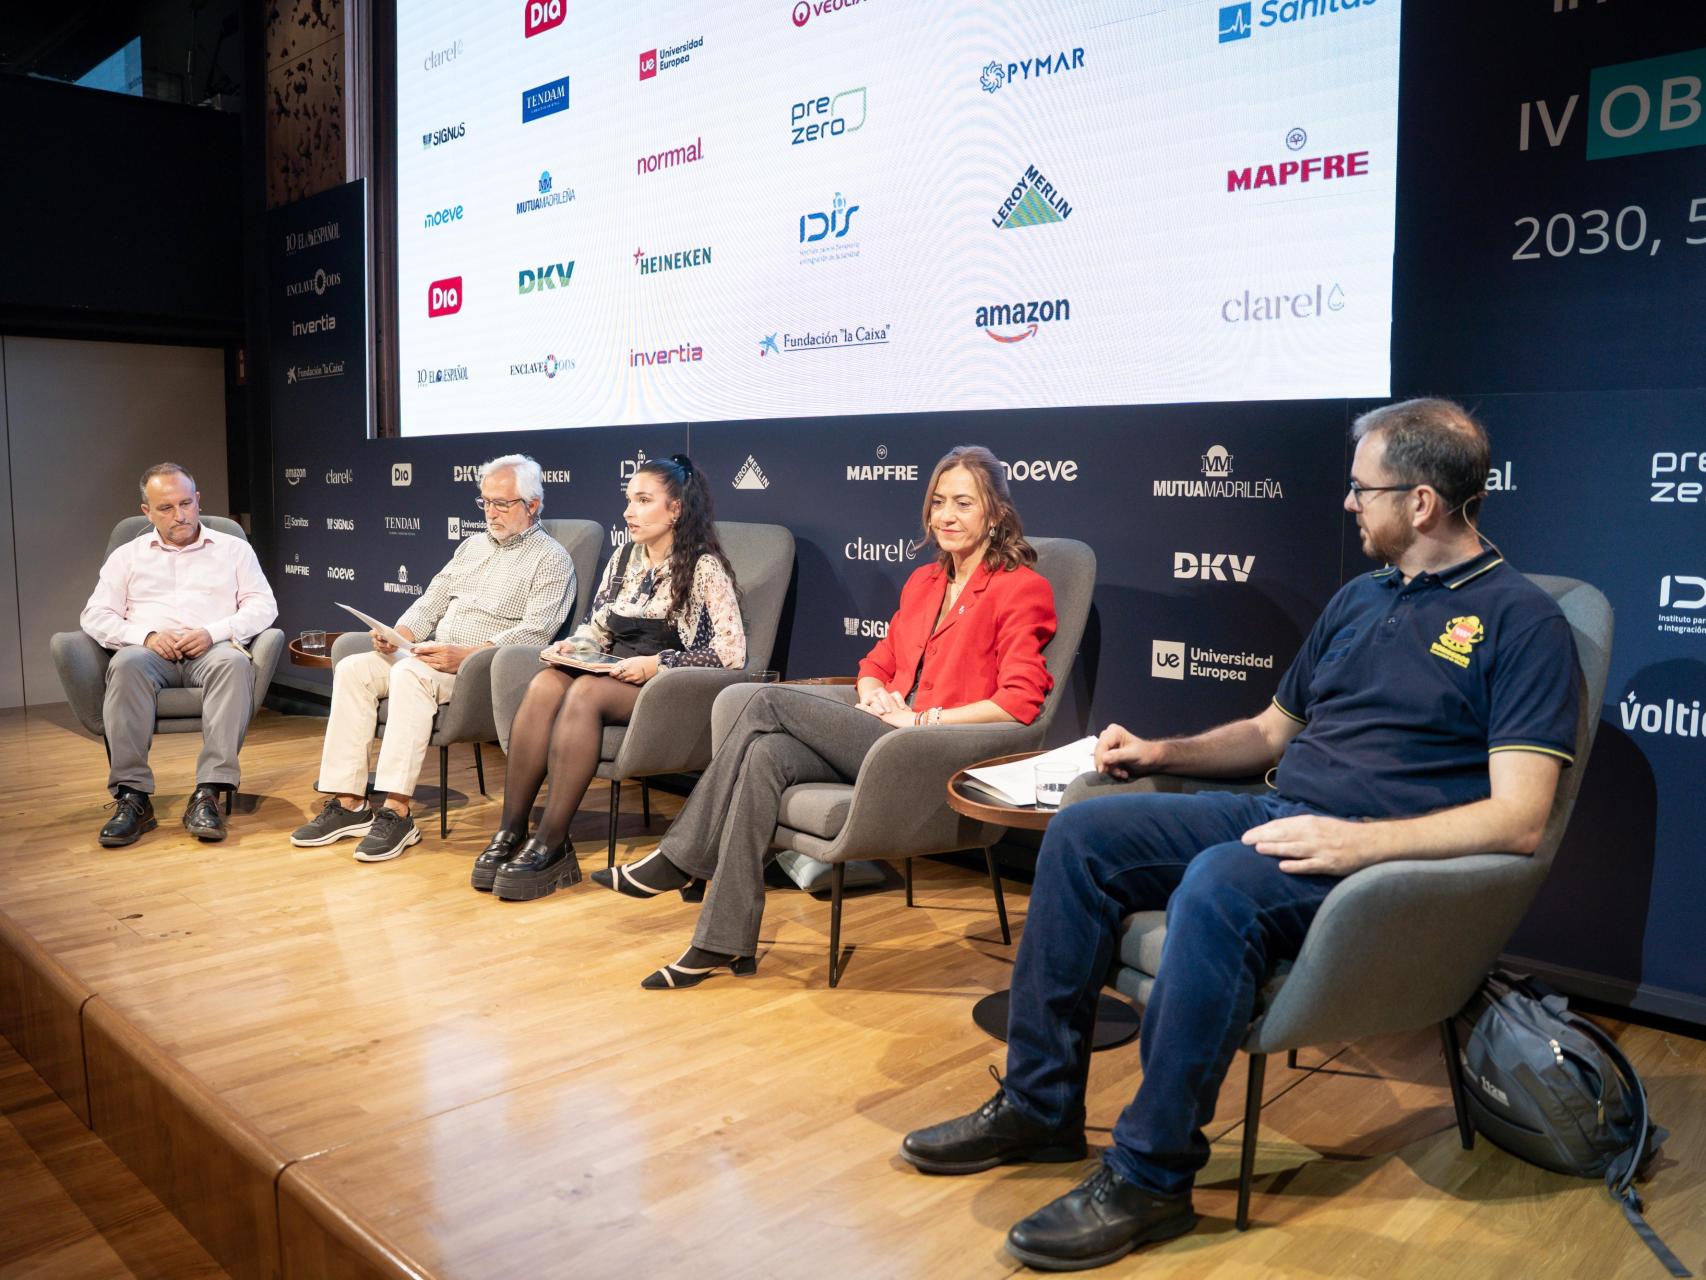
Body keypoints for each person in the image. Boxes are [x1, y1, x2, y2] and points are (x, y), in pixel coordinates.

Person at [898, 400, 1582, 1272]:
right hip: (1278, 813)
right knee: (1082, 833)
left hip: (1377, 857)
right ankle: (1040, 1108)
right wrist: (1160, 752)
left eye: (1362, 489)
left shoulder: (1522, 622)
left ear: (1421, 503)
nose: (1347, 505)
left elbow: (1521, 819)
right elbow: (1269, 734)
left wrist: (1356, 845)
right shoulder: (1359, 598)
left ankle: (1151, 1176)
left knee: (1222, 882)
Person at [593, 445, 1058, 988]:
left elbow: (1020, 702)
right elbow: (877, 661)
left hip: (933, 755)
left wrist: (923, 721)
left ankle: (683, 855)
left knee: (763, 700)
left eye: (964, 504)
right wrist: (874, 694)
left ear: (996, 513)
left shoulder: (1021, 588)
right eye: (938, 502)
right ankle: (720, 941)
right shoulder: (925, 583)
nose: (946, 516)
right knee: (765, 754)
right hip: (885, 731)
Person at [473, 454, 745, 901]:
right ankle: (511, 831)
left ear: (675, 509)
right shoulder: (624, 558)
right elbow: (597, 628)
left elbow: (732, 656)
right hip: (612, 668)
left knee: (584, 693)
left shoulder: (702, 568)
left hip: (665, 688)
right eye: (628, 500)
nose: (628, 512)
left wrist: (658, 665)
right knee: (544, 683)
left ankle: (552, 841)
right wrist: (572, 647)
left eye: (643, 501)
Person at [290, 454, 575, 861]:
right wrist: (397, 636)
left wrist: (466, 656)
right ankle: (350, 803)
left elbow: (536, 633)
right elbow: (431, 602)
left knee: (410, 676)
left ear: (533, 505)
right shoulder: (472, 547)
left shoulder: (551, 560)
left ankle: (397, 811)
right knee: (354, 668)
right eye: (484, 502)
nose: (490, 513)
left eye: (502, 503)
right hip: (432, 656)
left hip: (482, 671)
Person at [80, 463, 279, 847]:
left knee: (235, 662)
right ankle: (133, 797)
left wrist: (213, 633)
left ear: (198, 500)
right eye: (166, 508)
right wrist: (146, 635)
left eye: (186, 503)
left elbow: (263, 607)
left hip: (212, 650)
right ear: (146, 512)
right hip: (149, 655)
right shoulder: (128, 556)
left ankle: (209, 793)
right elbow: (95, 614)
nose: (180, 515)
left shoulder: (234, 550)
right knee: (125, 665)